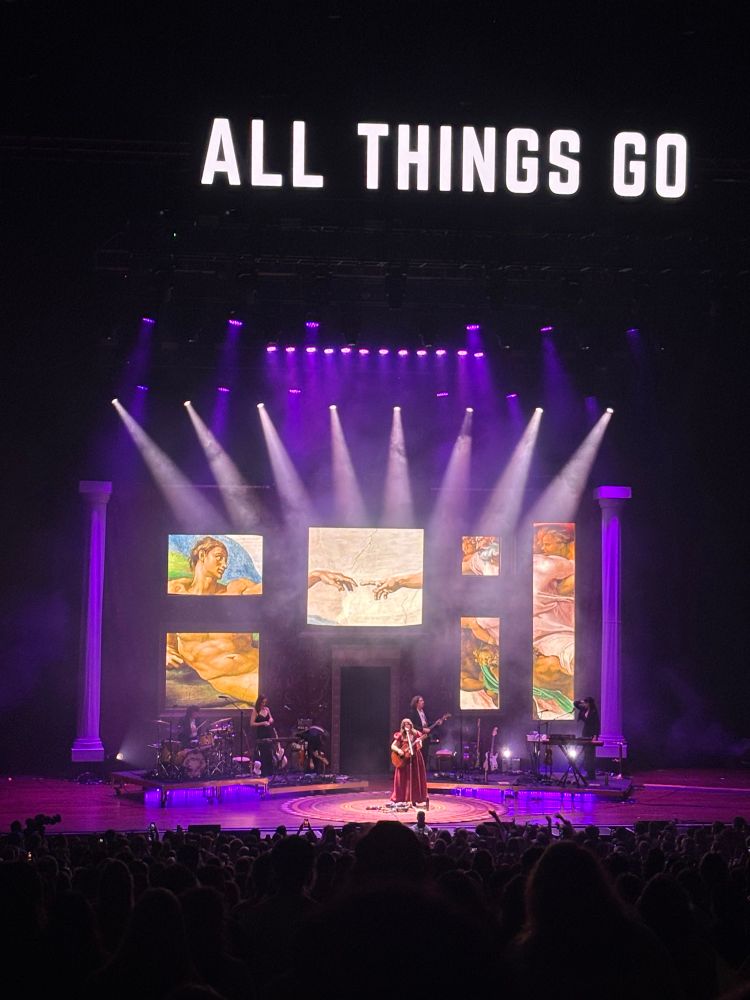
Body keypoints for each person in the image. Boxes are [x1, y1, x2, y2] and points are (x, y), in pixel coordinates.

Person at [168, 536, 261, 595]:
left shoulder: (233, 589)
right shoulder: (176, 588)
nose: (225, 565)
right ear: (202, 555)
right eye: (219, 557)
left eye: (225, 560)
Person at [390, 718, 428, 807]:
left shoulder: (416, 734)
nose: (407, 726)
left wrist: (419, 743)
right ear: (403, 727)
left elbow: (419, 746)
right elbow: (393, 746)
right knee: (402, 779)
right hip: (403, 760)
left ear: (411, 725)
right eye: (405, 725)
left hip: (415, 758)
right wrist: (399, 750)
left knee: (415, 778)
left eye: (408, 724)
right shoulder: (401, 735)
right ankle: (401, 798)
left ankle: (415, 798)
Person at [408, 695, 449, 771]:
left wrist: (436, 723)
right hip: (417, 738)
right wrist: (422, 729)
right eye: (421, 701)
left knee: (424, 756)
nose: (423, 702)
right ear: (416, 703)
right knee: (417, 756)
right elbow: (412, 725)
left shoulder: (424, 712)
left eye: (423, 700)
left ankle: (422, 773)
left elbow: (428, 725)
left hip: (425, 738)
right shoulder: (412, 713)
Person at [573, 696, 600, 782]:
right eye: (584, 703)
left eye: (586, 703)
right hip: (585, 733)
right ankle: (588, 773)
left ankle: (592, 774)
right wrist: (582, 701)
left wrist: (595, 736)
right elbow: (575, 703)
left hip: (591, 734)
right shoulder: (584, 709)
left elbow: (597, 724)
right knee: (586, 754)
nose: (584, 704)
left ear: (589, 703)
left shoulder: (594, 712)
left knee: (590, 754)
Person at [250, 695, 275, 776]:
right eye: (262, 702)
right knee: (263, 753)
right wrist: (262, 723)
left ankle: (270, 772)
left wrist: (270, 720)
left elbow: (271, 719)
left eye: (265, 702)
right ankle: (264, 772)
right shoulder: (256, 710)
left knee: (269, 752)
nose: (264, 704)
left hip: (268, 732)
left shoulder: (267, 709)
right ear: (259, 702)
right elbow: (252, 723)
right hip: (261, 734)